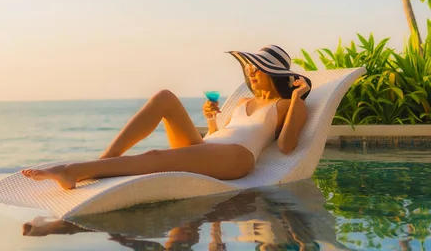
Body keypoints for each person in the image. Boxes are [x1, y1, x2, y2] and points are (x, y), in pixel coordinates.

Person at [22, 44, 312, 190]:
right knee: (164, 97)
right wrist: (210, 120)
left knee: (155, 155)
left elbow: (286, 146)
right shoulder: (244, 100)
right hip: (211, 148)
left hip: (237, 157)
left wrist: (298, 97)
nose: (251, 70)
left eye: (258, 66)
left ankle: (73, 170)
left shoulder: (289, 104)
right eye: (250, 65)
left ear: (275, 73)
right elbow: (215, 138)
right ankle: (102, 160)